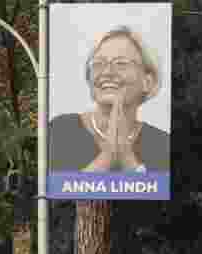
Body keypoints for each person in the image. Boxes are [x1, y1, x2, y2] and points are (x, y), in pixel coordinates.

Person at [49, 26, 169, 173]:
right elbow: (61, 193)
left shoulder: (163, 144)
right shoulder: (60, 131)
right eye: (98, 64)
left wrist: (126, 155)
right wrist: (108, 155)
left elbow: (155, 194)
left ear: (147, 82)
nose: (107, 72)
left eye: (121, 64)